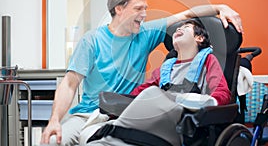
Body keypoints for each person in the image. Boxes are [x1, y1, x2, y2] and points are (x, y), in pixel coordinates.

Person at [40, 0, 243, 145]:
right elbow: (69, 84)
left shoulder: (146, 33)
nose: (144, 14)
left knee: (92, 141)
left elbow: (188, 14)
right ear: (119, 9)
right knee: (50, 141)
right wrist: (54, 120)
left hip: (121, 113)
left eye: (145, 8)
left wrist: (220, 7)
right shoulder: (92, 40)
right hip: (87, 113)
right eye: (138, 8)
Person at [86, 19, 231, 146]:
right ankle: (111, 134)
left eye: (186, 28)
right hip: (155, 119)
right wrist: (118, 104)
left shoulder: (208, 61)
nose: (179, 28)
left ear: (199, 38)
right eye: (177, 28)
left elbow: (223, 93)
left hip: (183, 122)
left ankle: (110, 137)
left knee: (153, 93)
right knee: (141, 96)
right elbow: (141, 92)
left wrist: (199, 102)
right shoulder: (166, 68)